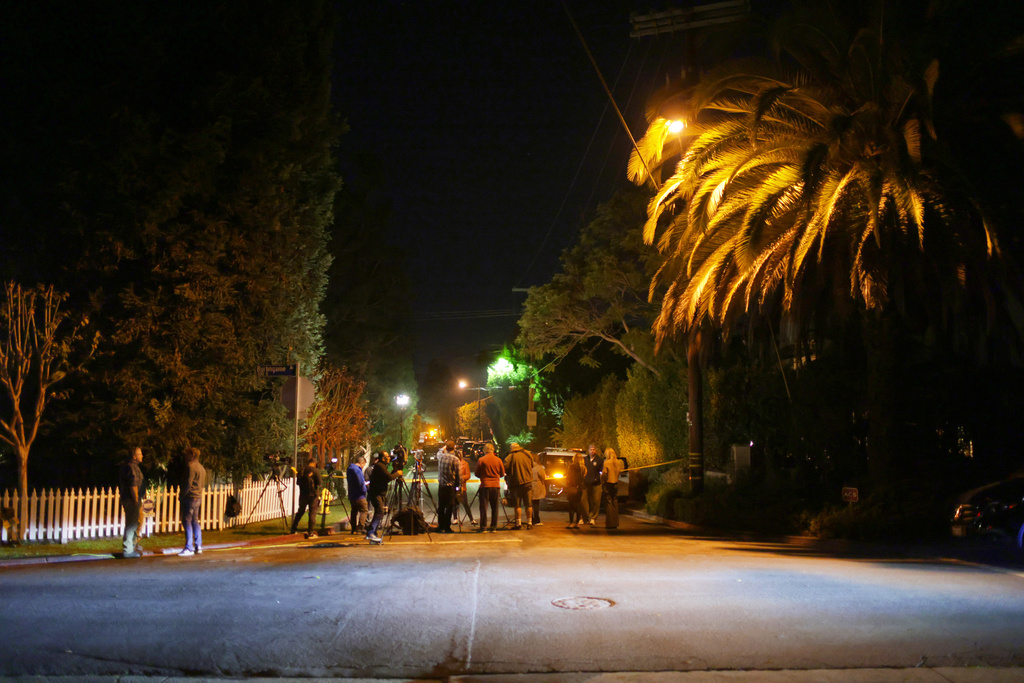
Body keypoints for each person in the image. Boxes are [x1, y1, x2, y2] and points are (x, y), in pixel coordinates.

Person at [366, 450, 402, 542]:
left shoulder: (381, 466)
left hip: (378, 492)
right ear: (383, 458)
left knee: (379, 512)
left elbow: (387, 477)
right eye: (387, 457)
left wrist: (394, 471)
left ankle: (373, 532)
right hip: (376, 493)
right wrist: (397, 474)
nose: (389, 458)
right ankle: (370, 532)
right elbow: (389, 477)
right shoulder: (380, 466)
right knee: (379, 512)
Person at [178, 447, 206, 556]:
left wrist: (182, 496)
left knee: (187, 521)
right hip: (198, 497)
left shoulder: (190, 467)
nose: (185, 456)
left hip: (190, 497)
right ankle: (198, 546)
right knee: (195, 521)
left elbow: (188, 484)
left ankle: (189, 547)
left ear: (192, 455)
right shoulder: (201, 468)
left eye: (187, 454)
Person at [118, 446, 144, 558]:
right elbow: (133, 485)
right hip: (131, 499)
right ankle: (128, 550)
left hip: (131, 498)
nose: (142, 456)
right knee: (132, 524)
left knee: (135, 523)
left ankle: (131, 547)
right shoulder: (131, 467)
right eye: (140, 454)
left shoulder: (132, 466)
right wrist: (136, 500)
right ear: (134, 456)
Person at [474, 443, 505, 532]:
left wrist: (483, 477)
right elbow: (502, 473)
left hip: (485, 485)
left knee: (483, 508)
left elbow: (476, 473)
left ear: (484, 450)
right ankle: (493, 527)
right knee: (495, 508)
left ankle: (483, 527)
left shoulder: (481, 460)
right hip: (495, 486)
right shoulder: (498, 460)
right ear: (493, 450)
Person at [504, 442, 534, 530]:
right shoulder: (528, 454)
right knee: (529, 504)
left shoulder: (510, 456)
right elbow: (532, 465)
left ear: (511, 448)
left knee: (517, 505)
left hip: (516, 483)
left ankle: (518, 524)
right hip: (528, 483)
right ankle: (529, 523)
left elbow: (505, 468)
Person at [291, 456, 323, 538]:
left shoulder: (302, 470)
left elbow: (298, 482)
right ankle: (310, 532)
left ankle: (293, 529)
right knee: (312, 513)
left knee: (300, 512)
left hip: (303, 494)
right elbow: (319, 483)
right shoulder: (315, 471)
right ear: (314, 463)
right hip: (313, 495)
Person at [436, 440, 460, 533]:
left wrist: (444, 448)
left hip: (441, 486)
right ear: (454, 447)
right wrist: (459, 485)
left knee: (441, 506)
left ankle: (440, 526)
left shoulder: (441, 457)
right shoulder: (455, 459)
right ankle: (447, 526)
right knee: (449, 506)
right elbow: (458, 475)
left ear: (446, 447)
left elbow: (438, 453)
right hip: (450, 487)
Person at [581, 443, 604, 525]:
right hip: (585, 483)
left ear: (596, 450)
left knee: (596, 501)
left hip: (596, 484)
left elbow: (602, 472)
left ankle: (593, 518)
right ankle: (585, 517)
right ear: (588, 450)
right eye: (590, 449)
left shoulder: (599, 460)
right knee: (584, 501)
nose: (592, 451)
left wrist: (598, 479)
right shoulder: (584, 459)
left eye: (593, 449)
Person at [601, 447, 623, 529]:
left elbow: (604, 474)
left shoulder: (606, 462)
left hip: (608, 483)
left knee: (609, 502)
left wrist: (601, 480)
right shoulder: (618, 462)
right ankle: (616, 522)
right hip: (616, 483)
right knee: (615, 502)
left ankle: (610, 523)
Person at [346, 454, 369, 534]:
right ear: (361, 463)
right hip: (359, 495)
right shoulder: (358, 470)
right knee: (364, 510)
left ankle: (353, 528)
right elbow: (360, 483)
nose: (363, 467)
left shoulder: (349, 469)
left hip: (352, 494)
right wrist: (364, 490)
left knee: (354, 511)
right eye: (364, 465)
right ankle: (360, 528)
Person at [457, 447, 477, 526]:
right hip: (454, 486)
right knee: (454, 504)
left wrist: (461, 478)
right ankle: (455, 518)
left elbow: (468, 475)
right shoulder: (453, 463)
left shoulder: (465, 464)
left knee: (465, 503)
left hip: (462, 486)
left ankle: (471, 518)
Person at [566, 451, 586, 528]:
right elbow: (583, 478)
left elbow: (570, 477)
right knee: (578, 505)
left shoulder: (571, 467)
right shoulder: (583, 468)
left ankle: (571, 523)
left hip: (572, 487)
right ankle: (577, 523)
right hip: (580, 488)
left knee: (571, 506)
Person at [530, 453, 547, 526]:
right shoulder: (538, 467)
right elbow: (543, 476)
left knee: (529, 504)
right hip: (537, 486)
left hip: (529, 485)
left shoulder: (528, 466)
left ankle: (530, 519)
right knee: (536, 503)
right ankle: (537, 520)